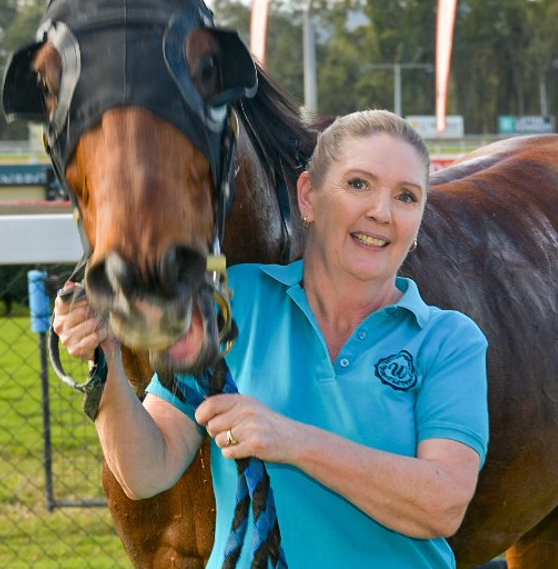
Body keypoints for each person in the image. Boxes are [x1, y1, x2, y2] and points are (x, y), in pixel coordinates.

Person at [53, 109, 489, 568]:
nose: (381, 212)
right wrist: (106, 365)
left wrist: (291, 441)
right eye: (358, 184)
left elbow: (442, 504)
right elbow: (146, 471)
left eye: (406, 197)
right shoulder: (234, 302)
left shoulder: (448, 341)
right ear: (309, 197)